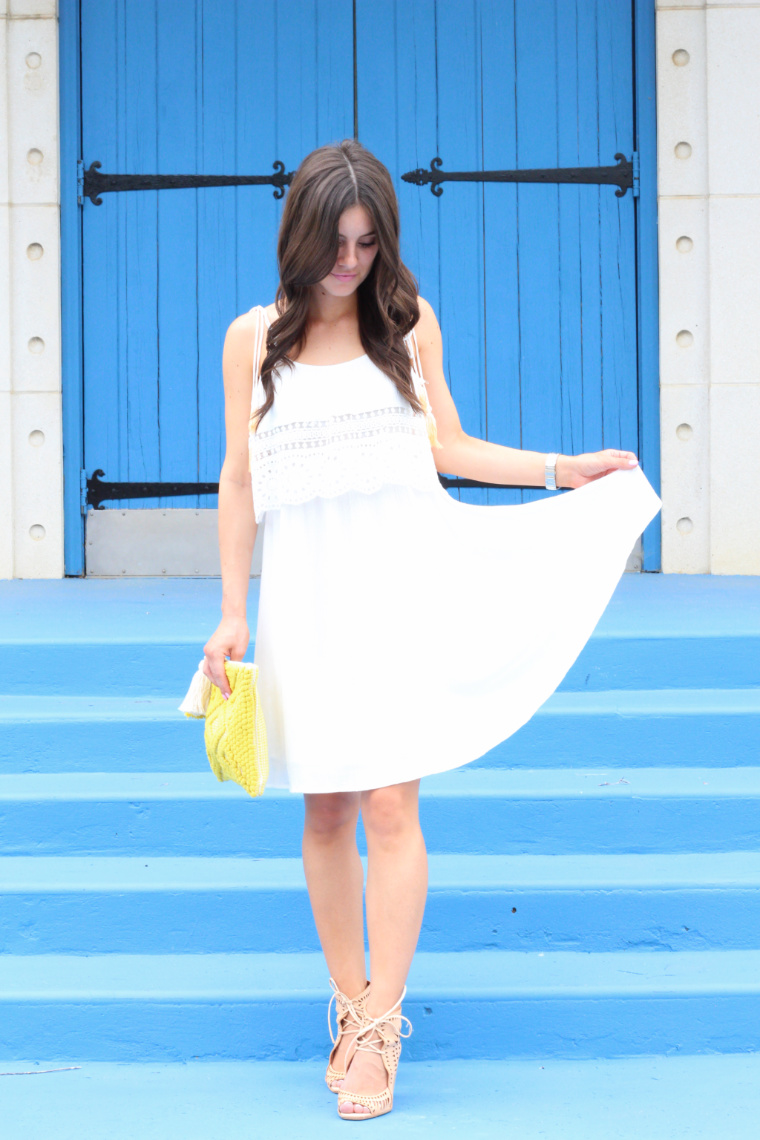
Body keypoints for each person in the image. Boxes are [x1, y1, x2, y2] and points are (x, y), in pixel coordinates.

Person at [201, 139, 661, 1121]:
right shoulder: (252, 339)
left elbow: (447, 445)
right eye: (335, 242)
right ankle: (348, 1003)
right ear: (299, 235)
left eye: (367, 243)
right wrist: (234, 612)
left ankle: (380, 1026)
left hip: (399, 597)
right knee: (325, 813)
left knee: (388, 807)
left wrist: (561, 471)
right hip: (303, 606)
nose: (350, 262)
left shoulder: (406, 324)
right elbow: (238, 482)